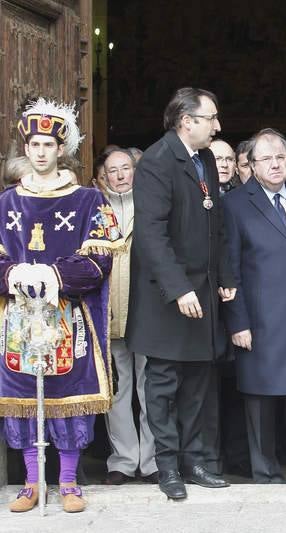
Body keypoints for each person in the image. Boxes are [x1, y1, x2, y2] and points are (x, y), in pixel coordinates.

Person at [0, 98, 123, 513]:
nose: (39, 151)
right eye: (33, 144)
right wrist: (13, 274)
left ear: (60, 149)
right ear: (26, 149)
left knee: (68, 397)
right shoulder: (5, 203)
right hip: (19, 318)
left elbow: (100, 258)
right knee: (22, 400)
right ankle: (32, 482)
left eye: (47, 145)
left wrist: (55, 275)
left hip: (67, 316)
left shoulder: (88, 200)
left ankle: (68, 481)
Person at [126, 87, 236, 500]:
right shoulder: (156, 161)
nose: (218, 126)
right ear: (186, 121)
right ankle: (167, 467)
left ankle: (195, 461)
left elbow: (216, 224)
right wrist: (178, 289)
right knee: (164, 385)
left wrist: (224, 274)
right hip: (168, 296)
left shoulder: (204, 158)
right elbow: (152, 235)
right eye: (211, 118)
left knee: (197, 384)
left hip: (204, 290)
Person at [223, 128, 286, 484]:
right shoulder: (235, 203)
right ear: (250, 165)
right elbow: (230, 268)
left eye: (281, 157)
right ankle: (266, 473)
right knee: (260, 401)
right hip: (260, 319)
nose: (275, 165)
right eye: (266, 158)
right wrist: (237, 322)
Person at [102, 149, 157, 486]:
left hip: (147, 310)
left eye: (126, 168)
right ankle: (122, 460)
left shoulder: (151, 204)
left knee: (150, 387)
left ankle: (151, 462)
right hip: (110, 312)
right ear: (103, 176)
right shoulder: (95, 209)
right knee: (117, 389)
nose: (121, 175)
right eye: (113, 170)